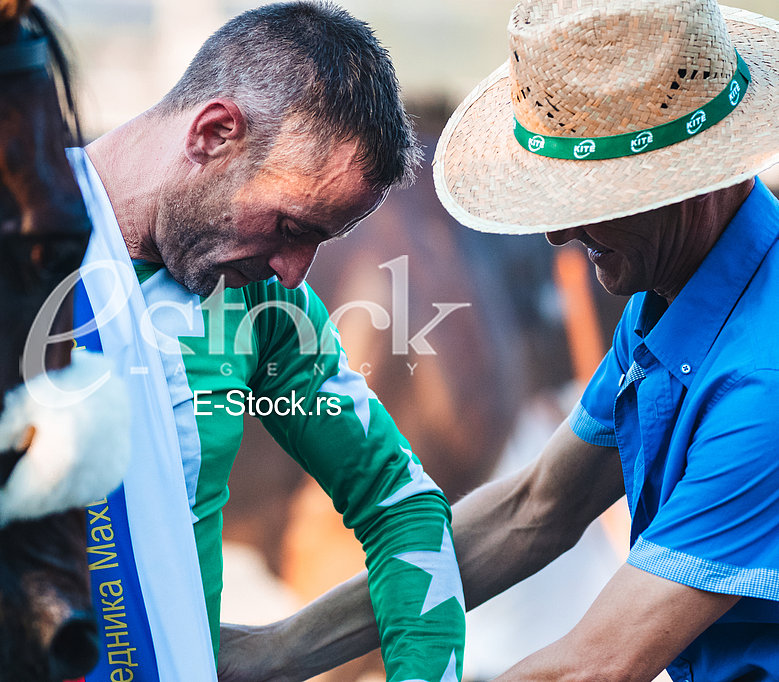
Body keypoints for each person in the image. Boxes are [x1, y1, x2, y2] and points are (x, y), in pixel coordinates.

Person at [0, 3, 466, 682]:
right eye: (290, 226)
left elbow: (400, 504)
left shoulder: (262, 304)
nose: (294, 269)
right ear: (213, 134)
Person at [215, 0, 779, 681]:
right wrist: (276, 651)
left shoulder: (762, 377)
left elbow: (597, 666)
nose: (558, 236)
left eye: (588, 200)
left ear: (687, 181)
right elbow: (533, 508)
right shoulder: (678, 286)